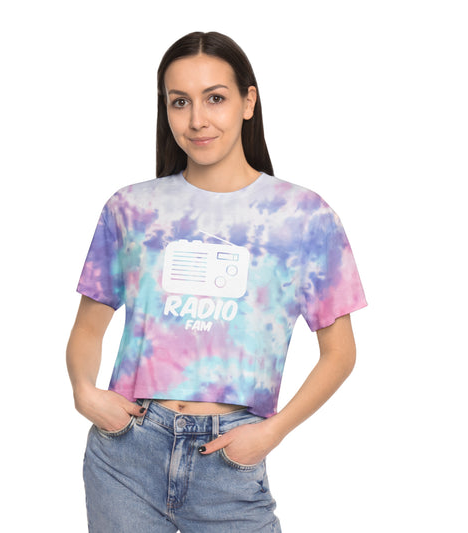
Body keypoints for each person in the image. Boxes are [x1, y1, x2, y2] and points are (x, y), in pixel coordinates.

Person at [66, 31, 367, 533]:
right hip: (126, 454)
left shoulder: (304, 217)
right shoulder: (131, 209)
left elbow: (340, 353)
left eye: (215, 98)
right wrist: (83, 391)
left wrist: (270, 433)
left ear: (248, 102)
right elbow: (87, 327)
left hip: (230, 457)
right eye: (179, 102)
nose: (197, 120)